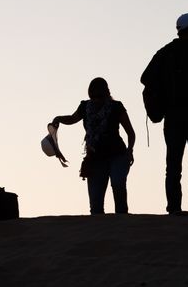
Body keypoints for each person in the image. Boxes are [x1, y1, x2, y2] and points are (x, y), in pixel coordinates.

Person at [141, 13, 188, 215]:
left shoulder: (165, 52)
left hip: (173, 115)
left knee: (173, 165)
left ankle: (174, 208)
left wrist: (162, 96)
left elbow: (146, 78)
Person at [52, 77, 136, 215]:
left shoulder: (116, 107)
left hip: (118, 155)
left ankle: (122, 225)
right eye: (94, 96)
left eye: (100, 96)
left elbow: (131, 133)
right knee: (96, 204)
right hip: (95, 158)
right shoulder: (85, 107)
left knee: (118, 184)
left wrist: (129, 151)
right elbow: (73, 119)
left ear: (106, 94)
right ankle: (100, 233)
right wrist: (59, 119)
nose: (96, 99)